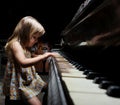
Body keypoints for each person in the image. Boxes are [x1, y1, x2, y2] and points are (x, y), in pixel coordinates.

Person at [2, 16, 57, 105]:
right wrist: (43, 57)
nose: (36, 41)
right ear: (25, 34)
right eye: (34, 37)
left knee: (51, 88)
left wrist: (41, 55)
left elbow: (30, 55)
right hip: (20, 83)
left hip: (29, 79)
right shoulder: (15, 44)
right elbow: (23, 62)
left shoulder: (25, 46)